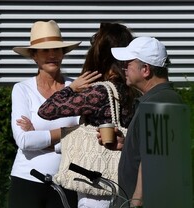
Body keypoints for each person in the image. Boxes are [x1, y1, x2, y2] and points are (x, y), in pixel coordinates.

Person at [38, 22, 139, 208]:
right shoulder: (131, 88)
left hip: (96, 181)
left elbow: (47, 110)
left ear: (99, 54)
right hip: (125, 178)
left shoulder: (99, 93)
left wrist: (71, 88)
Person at [8, 20, 100, 208]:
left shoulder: (78, 88)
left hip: (67, 180)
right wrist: (68, 132)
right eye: (44, 50)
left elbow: (85, 139)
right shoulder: (22, 89)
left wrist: (41, 138)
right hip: (26, 180)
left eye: (57, 50)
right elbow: (24, 141)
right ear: (34, 56)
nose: (52, 55)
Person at [103, 36, 184, 207]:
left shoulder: (160, 101)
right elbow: (158, 150)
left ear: (145, 69)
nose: (123, 68)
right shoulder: (156, 99)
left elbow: (153, 160)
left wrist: (137, 201)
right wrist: (127, 145)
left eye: (128, 63)